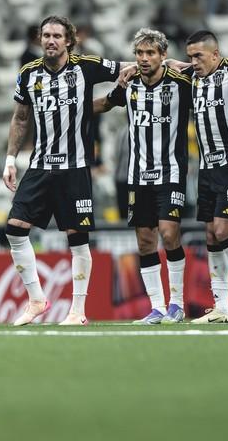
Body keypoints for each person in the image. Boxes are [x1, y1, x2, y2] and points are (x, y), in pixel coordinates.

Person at [4, 16, 124, 326]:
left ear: (68, 40)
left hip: (76, 167)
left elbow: (131, 67)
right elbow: (20, 119)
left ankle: (78, 311)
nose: (50, 40)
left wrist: (172, 65)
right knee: (15, 229)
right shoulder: (28, 74)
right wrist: (9, 159)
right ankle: (36, 300)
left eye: (57, 35)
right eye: (46, 35)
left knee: (77, 238)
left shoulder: (87, 66)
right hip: (41, 165)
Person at [95, 29, 192, 324]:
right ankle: (157, 307)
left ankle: (176, 303)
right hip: (138, 176)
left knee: (168, 232)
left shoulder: (181, 83)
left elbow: (213, 76)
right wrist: (74, 108)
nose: (144, 59)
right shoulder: (130, 83)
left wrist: (182, 64)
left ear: (163, 55)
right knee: (145, 240)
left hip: (171, 171)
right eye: (140, 53)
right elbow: (105, 104)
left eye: (151, 53)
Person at [183, 30, 228, 323]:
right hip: (207, 167)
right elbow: (172, 66)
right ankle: (221, 306)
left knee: (225, 230)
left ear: (216, 54)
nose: (194, 62)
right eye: (190, 57)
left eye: (199, 56)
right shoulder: (193, 79)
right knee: (211, 234)